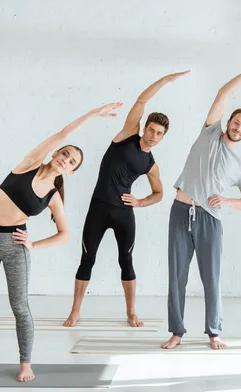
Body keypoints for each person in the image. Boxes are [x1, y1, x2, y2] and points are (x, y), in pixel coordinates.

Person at [0, 102, 122, 382]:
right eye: (65, 154)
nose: (66, 159)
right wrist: (93, 114)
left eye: (72, 161)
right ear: (55, 154)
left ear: (71, 172)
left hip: (15, 246)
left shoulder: (53, 197)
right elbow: (63, 133)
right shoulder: (30, 164)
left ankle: (26, 364)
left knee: (19, 307)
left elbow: (65, 234)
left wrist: (33, 245)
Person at [161, 58, 241, 350]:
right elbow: (223, 94)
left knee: (210, 278)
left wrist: (227, 200)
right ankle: (176, 331)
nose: (238, 127)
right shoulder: (210, 131)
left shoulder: (240, 164)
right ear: (228, 122)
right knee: (177, 277)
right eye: (236, 122)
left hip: (210, 219)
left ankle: (214, 331)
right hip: (180, 211)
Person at [63, 71, 190, 328]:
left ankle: (131, 312)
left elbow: (160, 193)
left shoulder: (151, 165)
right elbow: (142, 101)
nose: (153, 135)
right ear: (144, 128)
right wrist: (164, 81)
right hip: (98, 208)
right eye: (151, 130)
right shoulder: (126, 136)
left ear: (163, 137)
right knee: (87, 258)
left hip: (123, 214)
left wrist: (140, 202)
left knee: (126, 260)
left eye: (159, 133)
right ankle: (75, 312)